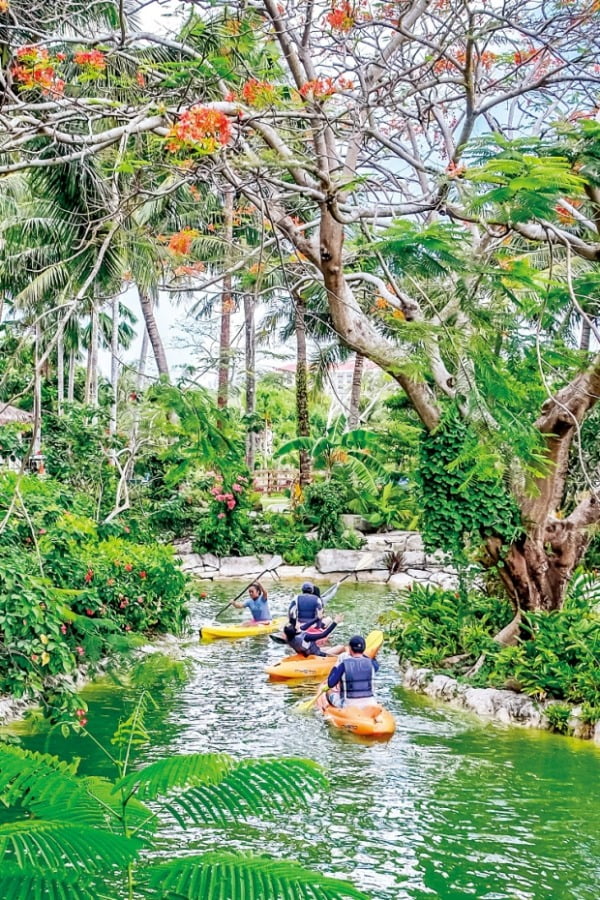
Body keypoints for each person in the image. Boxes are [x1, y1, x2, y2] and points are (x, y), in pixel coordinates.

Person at [326, 635, 380, 708]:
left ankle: (334, 711)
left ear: (350, 648)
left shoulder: (343, 665)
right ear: (363, 649)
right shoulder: (373, 664)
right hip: (371, 704)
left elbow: (330, 683)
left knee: (329, 692)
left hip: (349, 705)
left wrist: (336, 666)